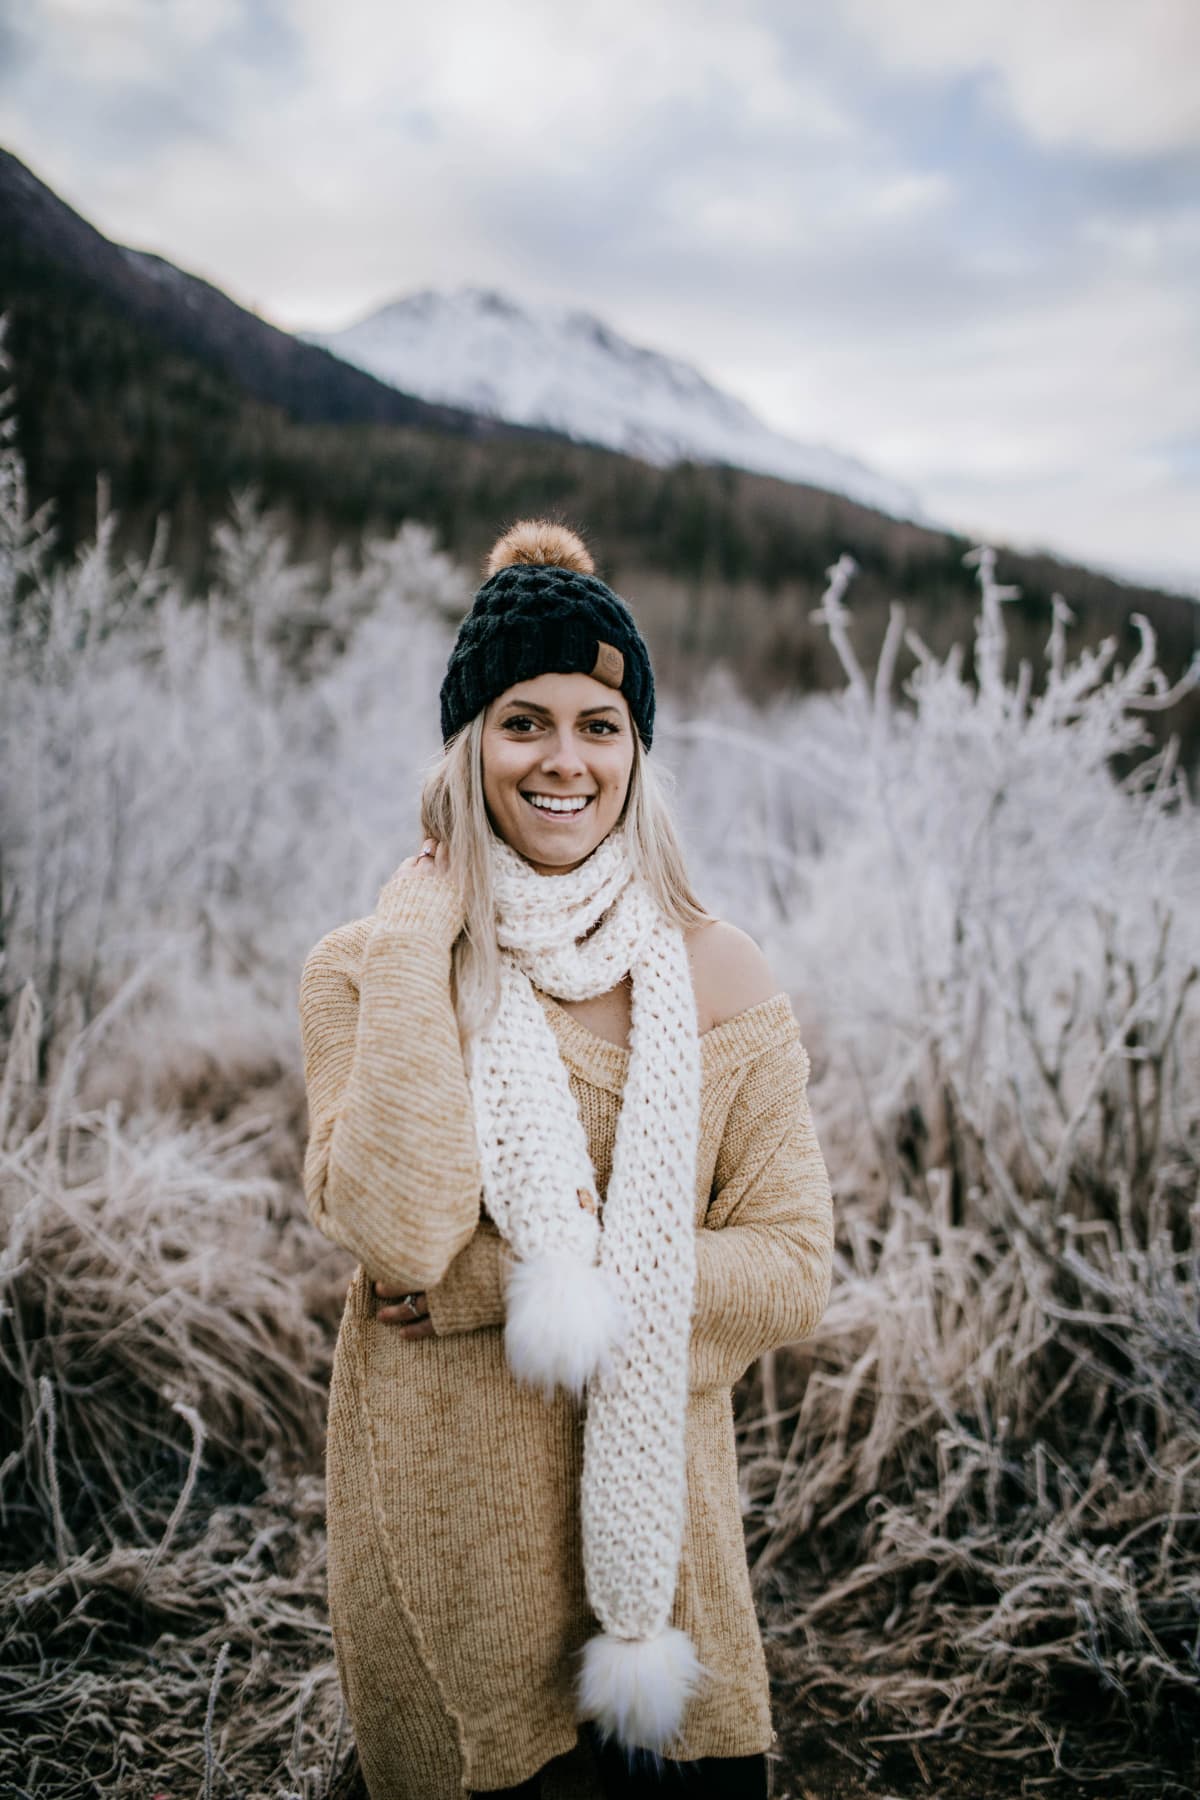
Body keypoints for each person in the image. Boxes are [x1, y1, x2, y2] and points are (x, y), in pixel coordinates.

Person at [297, 520, 835, 1800]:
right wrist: (425, 931)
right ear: (467, 744)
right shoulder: (365, 968)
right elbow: (404, 1230)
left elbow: (792, 1266)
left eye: (601, 724)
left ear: (639, 751)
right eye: (523, 720)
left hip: (662, 1558)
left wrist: (517, 1291)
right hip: (453, 1547)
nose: (564, 759)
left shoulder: (720, 975)